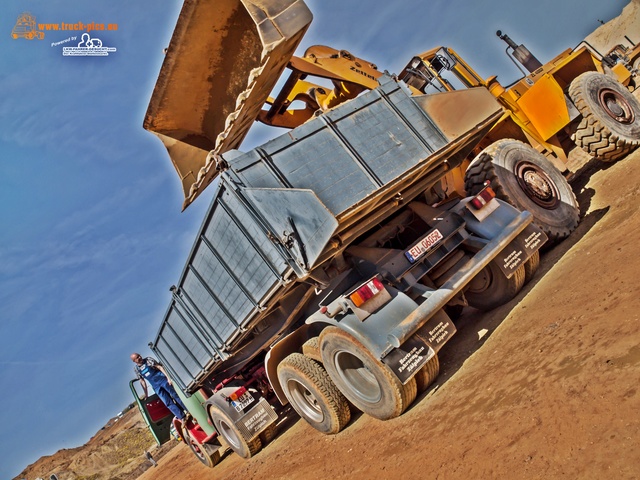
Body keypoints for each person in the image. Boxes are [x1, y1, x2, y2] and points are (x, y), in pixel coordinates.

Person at [131, 353, 188, 423]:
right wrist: (146, 394)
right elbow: (142, 381)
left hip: (162, 380)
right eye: (137, 357)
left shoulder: (148, 360)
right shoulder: (136, 369)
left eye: (139, 355)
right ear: (134, 361)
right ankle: (182, 417)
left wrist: (168, 378)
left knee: (175, 395)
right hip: (156, 386)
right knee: (167, 402)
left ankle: (188, 409)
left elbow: (159, 367)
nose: (139, 357)